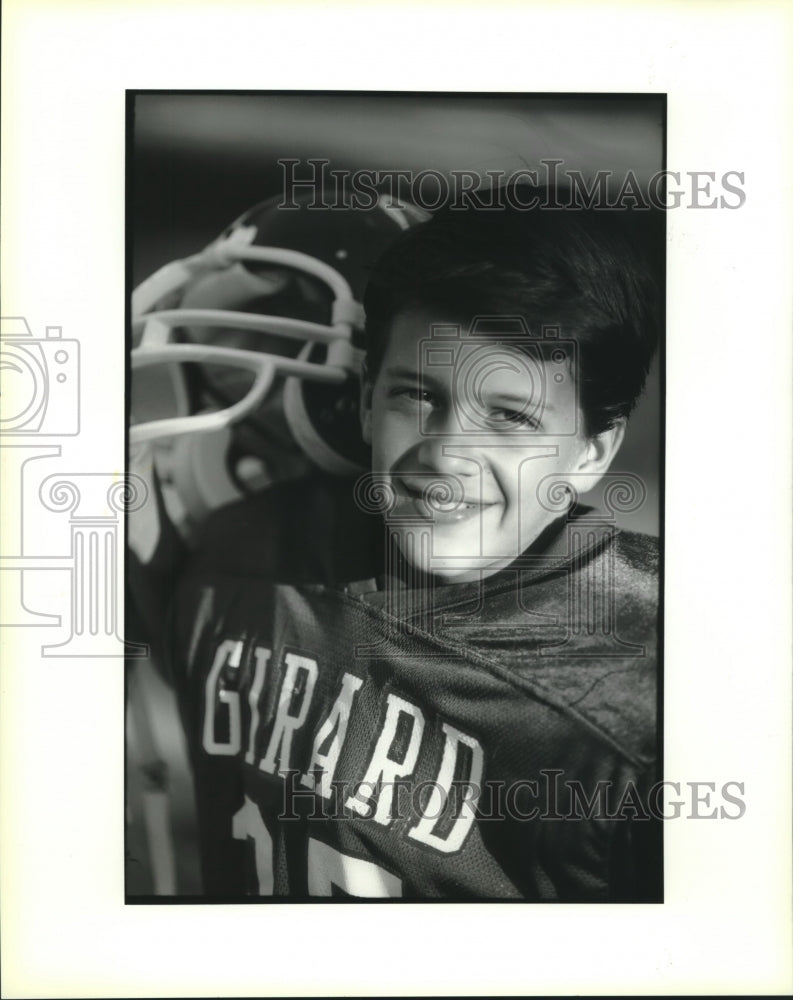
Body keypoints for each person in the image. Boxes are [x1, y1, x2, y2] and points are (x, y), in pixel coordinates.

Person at [134, 186, 662, 900]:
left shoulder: (648, 691)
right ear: (362, 398)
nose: (447, 455)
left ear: (593, 453)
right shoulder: (237, 554)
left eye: (509, 417)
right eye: (416, 397)